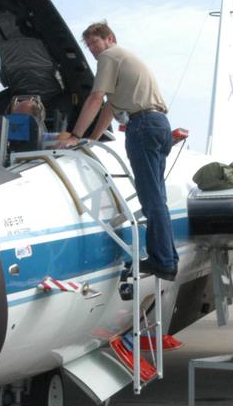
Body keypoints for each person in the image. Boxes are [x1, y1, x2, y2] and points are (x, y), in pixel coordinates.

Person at [56, 21, 178, 280]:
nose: (92, 49)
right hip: (158, 124)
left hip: (142, 126)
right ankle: (168, 257)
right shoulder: (124, 59)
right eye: (88, 45)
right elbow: (109, 108)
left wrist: (75, 136)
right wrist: (91, 139)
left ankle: (162, 261)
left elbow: (96, 98)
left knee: (151, 199)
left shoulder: (109, 56)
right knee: (158, 198)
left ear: (109, 38)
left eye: (94, 42)